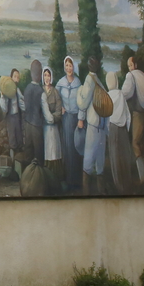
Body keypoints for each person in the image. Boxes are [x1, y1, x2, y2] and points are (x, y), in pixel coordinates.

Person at [122, 53, 144, 186]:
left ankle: (143, 178)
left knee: (135, 142)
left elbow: (126, 92)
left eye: (130, 65)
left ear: (135, 65)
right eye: (128, 66)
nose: (129, 68)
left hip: (139, 114)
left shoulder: (132, 75)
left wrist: (118, 96)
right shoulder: (143, 75)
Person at [78, 65, 108, 195]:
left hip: (93, 124)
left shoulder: (89, 80)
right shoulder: (99, 81)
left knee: (89, 159)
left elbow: (83, 103)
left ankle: (87, 192)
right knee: (100, 160)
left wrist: (80, 118)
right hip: (101, 125)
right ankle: (100, 191)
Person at [58, 56, 82, 192]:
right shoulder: (61, 83)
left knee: (76, 147)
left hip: (76, 118)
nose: (68, 68)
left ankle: (76, 180)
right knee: (67, 148)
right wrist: (60, 106)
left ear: (74, 67)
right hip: (66, 118)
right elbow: (56, 97)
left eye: (70, 66)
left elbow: (81, 101)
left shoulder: (78, 83)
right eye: (66, 65)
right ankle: (67, 180)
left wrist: (80, 117)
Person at [106, 71, 131, 191]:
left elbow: (106, 117)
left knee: (115, 159)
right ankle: (127, 184)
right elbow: (128, 115)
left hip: (112, 129)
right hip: (123, 129)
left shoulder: (107, 96)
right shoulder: (121, 94)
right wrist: (127, 128)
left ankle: (119, 186)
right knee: (124, 157)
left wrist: (108, 131)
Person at [21, 59, 45, 170]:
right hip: (37, 125)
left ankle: (26, 175)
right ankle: (38, 178)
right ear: (40, 75)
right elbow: (43, 111)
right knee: (38, 152)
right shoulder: (40, 91)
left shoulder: (26, 89)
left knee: (28, 151)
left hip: (27, 124)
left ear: (31, 74)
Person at [41, 66, 63, 185]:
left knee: (54, 151)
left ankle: (55, 179)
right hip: (43, 128)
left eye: (48, 75)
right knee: (45, 151)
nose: (47, 78)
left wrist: (51, 119)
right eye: (45, 75)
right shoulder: (41, 91)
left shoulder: (55, 92)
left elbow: (59, 111)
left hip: (53, 128)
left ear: (51, 77)